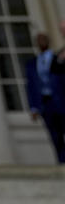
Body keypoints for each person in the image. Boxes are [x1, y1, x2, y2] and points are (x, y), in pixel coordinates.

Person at [25, 32, 65, 163]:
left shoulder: (59, 59)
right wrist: (33, 108)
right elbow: (31, 87)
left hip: (61, 101)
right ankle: (61, 162)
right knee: (55, 135)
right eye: (39, 40)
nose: (41, 42)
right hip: (45, 105)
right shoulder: (32, 64)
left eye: (44, 39)